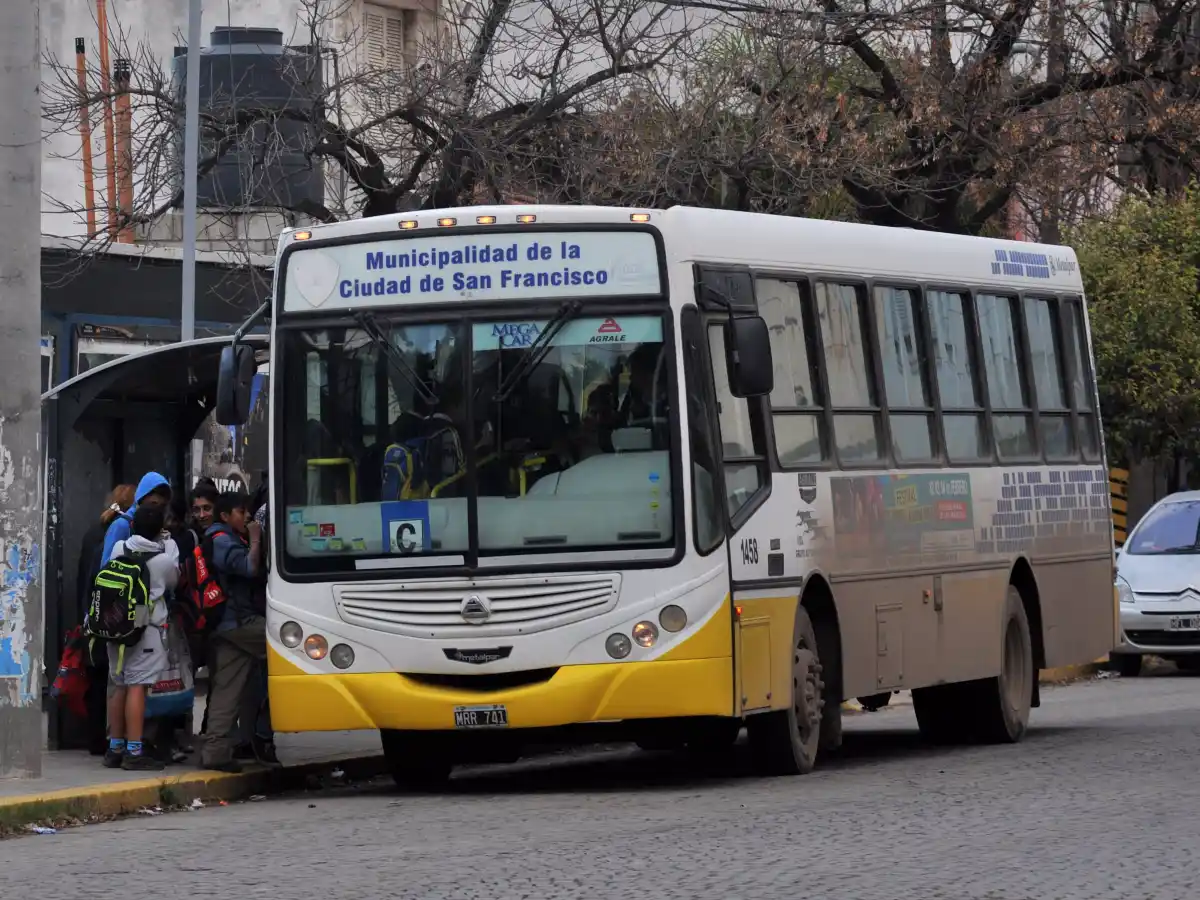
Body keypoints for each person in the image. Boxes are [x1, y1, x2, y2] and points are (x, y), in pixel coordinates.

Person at [201, 492, 276, 772]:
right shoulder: (221, 540)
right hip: (239, 623)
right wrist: (256, 537)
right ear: (225, 516)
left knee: (227, 688)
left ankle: (216, 751)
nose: (247, 517)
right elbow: (248, 567)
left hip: (229, 626)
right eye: (241, 512)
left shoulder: (222, 537)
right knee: (294, 646)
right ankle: (262, 732)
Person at [103, 504, 180, 771]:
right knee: (137, 687)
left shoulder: (118, 549)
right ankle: (134, 751)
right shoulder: (162, 560)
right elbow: (173, 582)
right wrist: (168, 546)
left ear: (133, 526)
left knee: (120, 685)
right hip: (145, 632)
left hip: (115, 627)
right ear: (160, 530)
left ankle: (115, 748)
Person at [75, 484, 136, 755]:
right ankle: (114, 738)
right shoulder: (122, 533)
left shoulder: (93, 531)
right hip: (115, 615)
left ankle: (96, 737)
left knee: (98, 676)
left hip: (93, 613)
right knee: (116, 678)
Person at [100, 472, 172, 564]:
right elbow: (105, 567)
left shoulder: (160, 529)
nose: (156, 511)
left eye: (162, 507)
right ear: (141, 499)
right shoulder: (122, 525)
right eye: (153, 504)